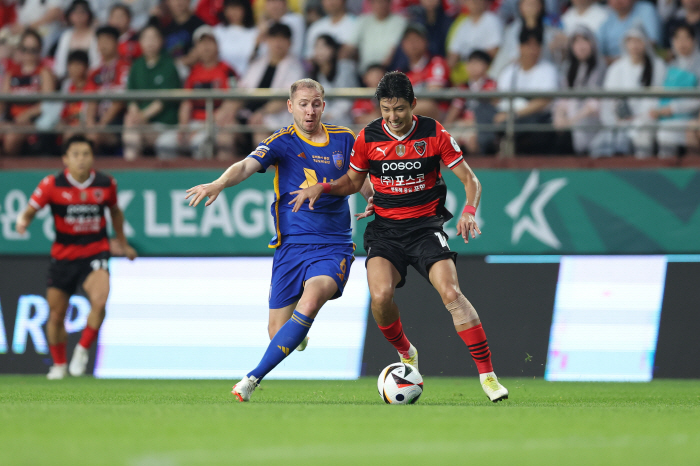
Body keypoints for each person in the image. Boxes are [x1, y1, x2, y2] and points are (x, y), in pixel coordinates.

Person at [289, 71, 509, 403]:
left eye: (400, 110)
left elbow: (470, 180)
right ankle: (406, 352)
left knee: (451, 292)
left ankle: (489, 376)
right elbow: (352, 181)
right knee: (380, 297)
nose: (393, 117)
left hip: (426, 230)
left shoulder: (434, 132)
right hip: (386, 233)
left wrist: (468, 211)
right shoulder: (368, 137)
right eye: (386, 110)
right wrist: (325, 187)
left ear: (413, 105)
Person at [184, 78, 372, 402]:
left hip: (333, 245)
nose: (310, 110)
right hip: (291, 247)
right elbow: (246, 165)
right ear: (290, 107)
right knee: (277, 333)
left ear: (323, 106)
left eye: (315, 104)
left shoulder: (344, 139)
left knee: (312, 299)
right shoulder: (281, 142)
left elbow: (358, 179)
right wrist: (219, 183)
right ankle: (299, 333)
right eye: (303, 104)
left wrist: (373, 197)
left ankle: (251, 378)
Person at [14, 134, 137, 380]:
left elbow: (115, 214)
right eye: (76, 154)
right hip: (63, 256)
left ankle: (82, 350)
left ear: (92, 158)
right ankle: (59, 364)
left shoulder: (105, 183)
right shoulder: (51, 184)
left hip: (95, 252)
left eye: (86, 154)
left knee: (100, 301)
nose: (81, 159)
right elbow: (29, 211)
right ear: (65, 159)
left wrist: (122, 244)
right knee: (56, 315)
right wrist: (22, 222)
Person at [157, 25, 238, 159]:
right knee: (164, 143)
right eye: (201, 43)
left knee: (198, 143)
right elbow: (186, 103)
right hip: (193, 123)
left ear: (217, 46)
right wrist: (184, 128)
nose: (206, 47)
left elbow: (233, 100)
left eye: (209, 42)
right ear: (196, 48)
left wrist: (203, 127)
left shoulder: (227, 70)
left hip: (215, 123)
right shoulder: (193, 72)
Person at [591, 25, 666, 158]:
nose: (634, 45)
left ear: (645, 43)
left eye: (638, 41)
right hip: (618, 121)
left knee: (642, 140)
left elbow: (658, 98)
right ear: (625, 44)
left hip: (646, 120)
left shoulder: (658, 66)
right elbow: (608, 100)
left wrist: (638, 117)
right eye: (631, 41)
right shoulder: (616, 68)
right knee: (599, 145)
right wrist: (616, 118)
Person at [494, 28, 559, 155]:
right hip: (508, 113)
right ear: (520, 47)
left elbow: (544, 101)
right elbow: (499, 99)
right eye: (529, 45)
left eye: (537, 45)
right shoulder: (509, 71)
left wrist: (513, 115)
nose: (533, 50)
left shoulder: (548, 70)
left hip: (535, 117)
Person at [122, 24, 182, 160]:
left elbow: (163, 101)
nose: (150, 42)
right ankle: (131, 165)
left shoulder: (169, 65)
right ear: (140, 42)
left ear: (161, 41)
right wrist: (135, 115)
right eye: (146, 38)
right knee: (129, 122)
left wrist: (142, 116)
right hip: (141, 123)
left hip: (164, 124)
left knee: (132, 124)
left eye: (154, 38)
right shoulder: (137, 65)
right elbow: (130, 97)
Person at [0, 29, 55, 156]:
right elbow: (3, 101)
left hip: (34, 121)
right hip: (12, 121)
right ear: (20, 50)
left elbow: (48, 102)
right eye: (25, 49)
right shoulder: (11, 74)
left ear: (40, 51)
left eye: (33, 50)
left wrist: (27, 114)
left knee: (11, 138)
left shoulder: (44, 72)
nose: (28, 54)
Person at [552, 26, 606, 155]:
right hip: (572, 119)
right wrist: (559, 117)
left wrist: (571, 121)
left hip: (591, 122)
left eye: (584, 41)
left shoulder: (600, 66)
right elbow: (563, 97)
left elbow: (594, 103)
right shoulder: (569, 67)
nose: (581, 46)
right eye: (576, 42)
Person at [85, 25, 132, 153]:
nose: (103, 45)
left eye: (107, 40)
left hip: (116, 124)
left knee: (93, 137)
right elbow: (91, 101)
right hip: (97, 122)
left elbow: (120, 101)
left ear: (116, 43)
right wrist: (90, 125)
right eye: (100, 41)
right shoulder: (95, 72)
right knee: (71, 134)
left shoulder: (125, 67)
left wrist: (101, 125)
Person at [445, 50, 499, 155]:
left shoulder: (491, 85)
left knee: (472, 141)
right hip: (462, 124)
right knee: (445, 140)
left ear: (487, 66)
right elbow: (454, 111)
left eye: (478, 63)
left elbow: (492, 110)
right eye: (471, 63)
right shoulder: (463, 87)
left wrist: (470, 122)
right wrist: (445, 128)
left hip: (480, 126)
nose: (474, 67)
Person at [342, 0, 407, 73]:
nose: (381, 5)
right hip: (364, 71)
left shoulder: (400, 21)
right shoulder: (363, 20)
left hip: (389, 69)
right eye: (377, 2)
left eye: (384, 2)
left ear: (390, 3)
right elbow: (349, 47)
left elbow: (393, 51)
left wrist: (377, 71)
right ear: (371, 4)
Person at [310, 34, 358, 126]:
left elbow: (347, 100)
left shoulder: (345, 67)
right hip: (320, 122)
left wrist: (330, 115)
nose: (320, 51)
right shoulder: (314, 73)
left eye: (324, 46)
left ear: (332, 49)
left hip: (344, 120)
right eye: (317, 47)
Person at [52, 0, 100, 80]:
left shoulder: (95, 35)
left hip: (90, 79)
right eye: (75, 12)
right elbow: (60, 64)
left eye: (82, 12)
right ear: (69, 15)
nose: (79, 16)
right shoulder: (66, 36)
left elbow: (96, 62)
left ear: (89, 15)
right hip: (69, 79)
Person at [212, 0, 258, 76]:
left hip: (248, 79)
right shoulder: (216, 32)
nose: (233, 12)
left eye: (237, 8)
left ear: (245, 9)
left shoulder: (256, 32)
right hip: (222, 79)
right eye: (230, 8)